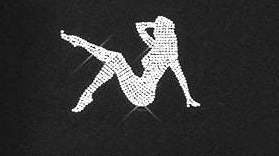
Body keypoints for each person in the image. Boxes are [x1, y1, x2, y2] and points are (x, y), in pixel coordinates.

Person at [61, 16, 200, 112]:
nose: (155, 31)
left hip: (144, 94)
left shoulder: (170, 54)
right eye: (157, 29)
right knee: (112, 63)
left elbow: (180, 76)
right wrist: (154, 24)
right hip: (137, 84)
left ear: (163, 32)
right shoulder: (156, 46)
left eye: (158, 29)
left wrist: (188, 97)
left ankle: (81, 44)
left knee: (116, 58)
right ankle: (88, 94)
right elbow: (139, 26)